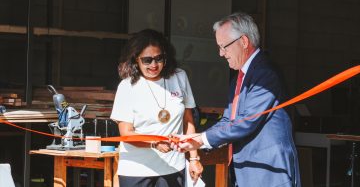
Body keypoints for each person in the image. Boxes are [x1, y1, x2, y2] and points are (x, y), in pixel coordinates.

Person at [171, 12, 301, 187]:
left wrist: (202, 139)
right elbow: (228, 120)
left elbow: (246, 122)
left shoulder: (265, 74)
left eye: (224, 46)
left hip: (268, 168)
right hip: (246, 169)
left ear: (244, 42)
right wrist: (195, 138)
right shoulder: (238, 79)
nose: (220, 54)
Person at [110, 29, 203, 187]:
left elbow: (188, 121)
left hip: (174, 167)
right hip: (136, 170)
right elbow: (126, 133)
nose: (154, 65)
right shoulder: (126, 86)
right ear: (136, 60)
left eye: (159, 58)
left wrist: (194, 158)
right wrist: (154, 143)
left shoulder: (179, 77)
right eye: (147, 60)